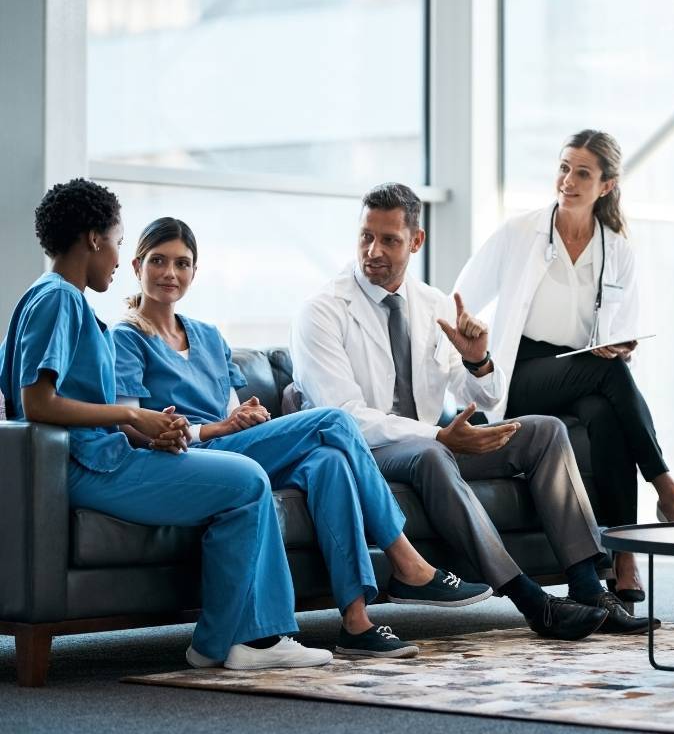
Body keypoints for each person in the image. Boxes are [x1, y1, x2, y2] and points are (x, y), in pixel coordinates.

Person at [112, 217, 492, 660]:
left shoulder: (209, 336)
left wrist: (247, 415)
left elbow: (234, 407)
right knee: (333, 421)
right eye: (158, 261)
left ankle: (356, 621)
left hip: (234, 448)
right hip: (193, 458)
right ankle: (405, 559)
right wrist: (211, 429)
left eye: (182, 263)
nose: (170, 273)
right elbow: (132, 422)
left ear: (195, 272)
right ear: (137, 265)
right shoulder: (125, 337)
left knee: (330, 462)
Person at [290, 182, 653, 640]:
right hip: (368, 452)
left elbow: (482, 396)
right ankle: (532, 601)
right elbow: (342, 416)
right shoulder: (322, 312)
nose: (373, 251)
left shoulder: (434, 304)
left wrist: (477, 359)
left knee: (545, 432)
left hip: (431, 441)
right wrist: (439, 436)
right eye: (366, 237)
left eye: (389, 240)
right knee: (432, 454)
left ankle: (587, 588)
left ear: (416, 241)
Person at [0, 179, 331, 670]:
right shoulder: (61, 299)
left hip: (100, 457)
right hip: (90, 466)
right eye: (116, 242)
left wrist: (153, 428)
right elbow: (37, 403)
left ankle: (228, 643)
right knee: (247, 479)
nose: (117, 259)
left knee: (238, 489)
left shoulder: (43, 295)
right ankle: (244, 643)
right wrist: (132, 414)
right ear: (93, 238)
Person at [453, 129, 674, 604]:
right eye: (563, 168)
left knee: (608, 414)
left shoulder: (617, 250)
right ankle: (665, 486)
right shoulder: (520, 231)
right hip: (519, 371)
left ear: (606, 185)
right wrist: (468, 332)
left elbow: (618, 331)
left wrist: (619, 346)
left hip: (577, 368)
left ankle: (623, 558)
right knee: (609, 377)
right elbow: (461, 297)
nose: (567, 180)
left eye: (582, 172)